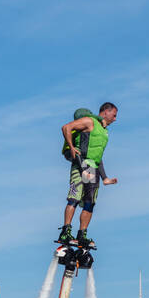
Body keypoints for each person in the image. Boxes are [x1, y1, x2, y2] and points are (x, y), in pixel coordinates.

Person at [57, 103, 119, 249]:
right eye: (114, 115)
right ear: (105, 112)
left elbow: (97, 156)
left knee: (89, 203)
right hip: (81, 164)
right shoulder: (90, 121)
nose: (116, 119)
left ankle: (82, 234)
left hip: (92, 168)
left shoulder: (104, 132)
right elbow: (66, 127)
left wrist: (105, 178)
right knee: (74, 197)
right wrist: (72, 147)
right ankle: (66, 231)